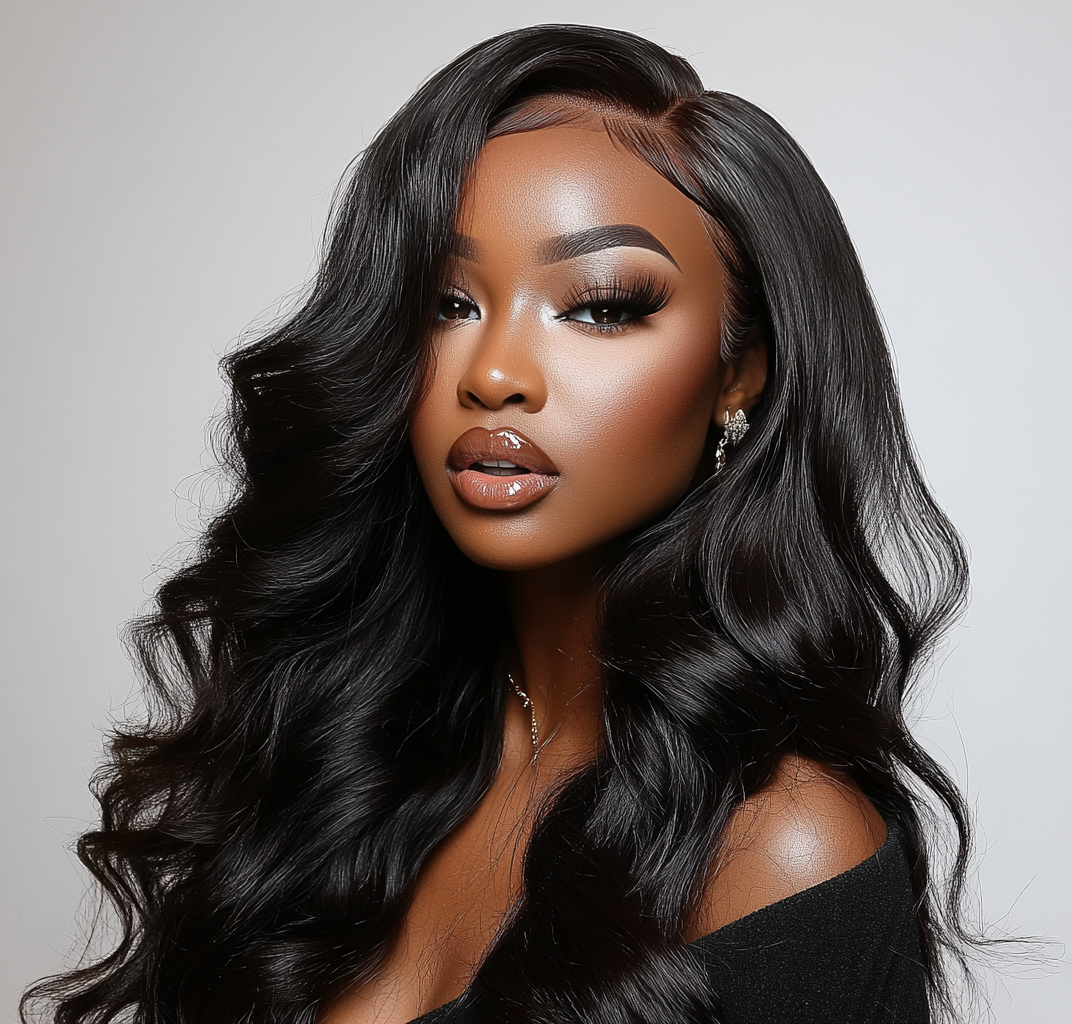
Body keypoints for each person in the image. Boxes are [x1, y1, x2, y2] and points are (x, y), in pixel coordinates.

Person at [24, 24, 980, 1024]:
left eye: (601, 306)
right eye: (446, 301)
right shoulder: (349, 759)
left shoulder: (781, 851)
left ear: (738, 373)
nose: (494, 374)